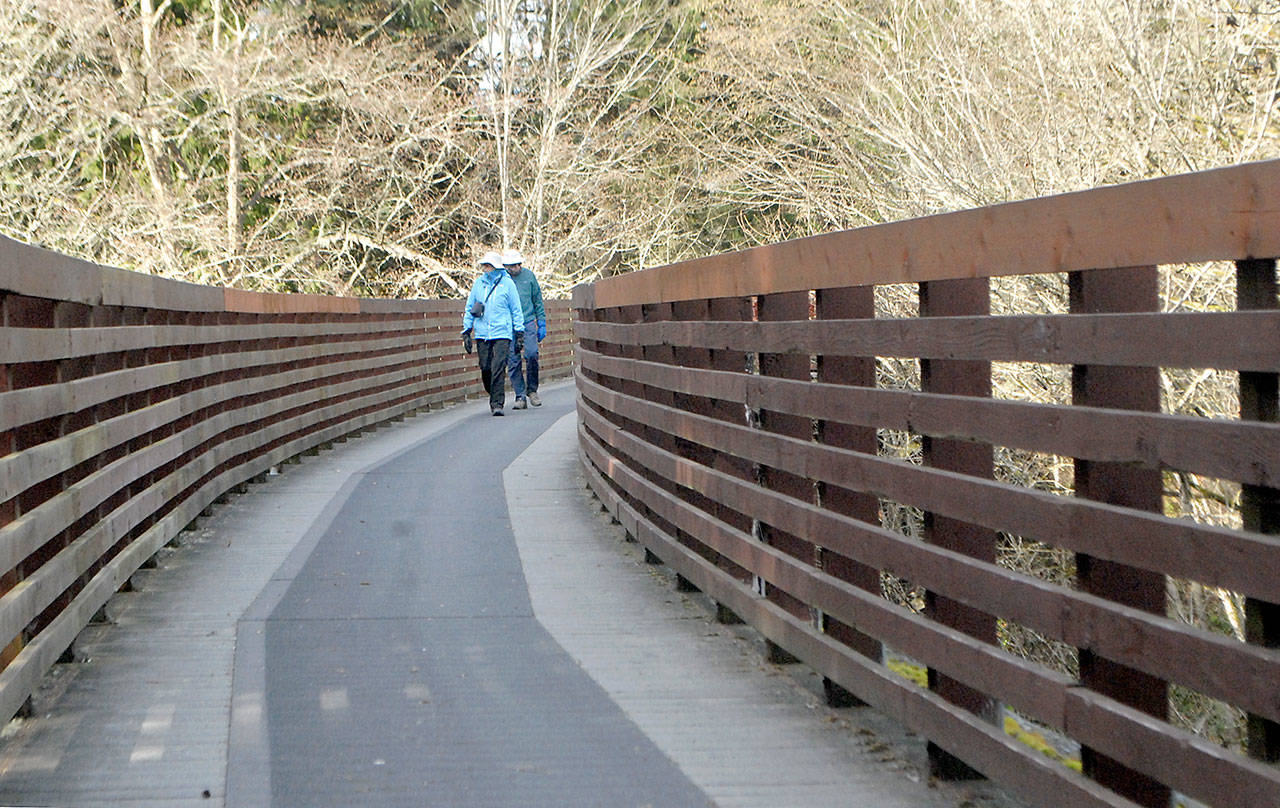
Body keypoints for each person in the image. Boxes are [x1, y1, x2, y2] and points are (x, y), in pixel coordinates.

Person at [461, 251, 525, 416]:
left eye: (488, 266)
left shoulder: (507, 284)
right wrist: (466, 331)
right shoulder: (479, 284)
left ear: (496, 267)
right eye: (484, 266)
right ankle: (493, 393)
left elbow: (516, 309)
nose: (485, 269)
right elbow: (470, 308)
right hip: (482, 332)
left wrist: (519, 332)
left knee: (498, 366)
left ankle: (497, 403)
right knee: (485, 367)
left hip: (502, 331)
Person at [501, 248, 546, 409]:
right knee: (513, 360)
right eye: (507, 266)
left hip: (527, 321)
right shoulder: (503, 279)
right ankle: (520, 395)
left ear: (519, 264)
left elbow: (537, 300)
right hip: (509, 323)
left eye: (513, 265)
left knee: (532, 353)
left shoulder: (529, 277)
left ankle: (532, 390)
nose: (510, 269)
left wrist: (541, 321)